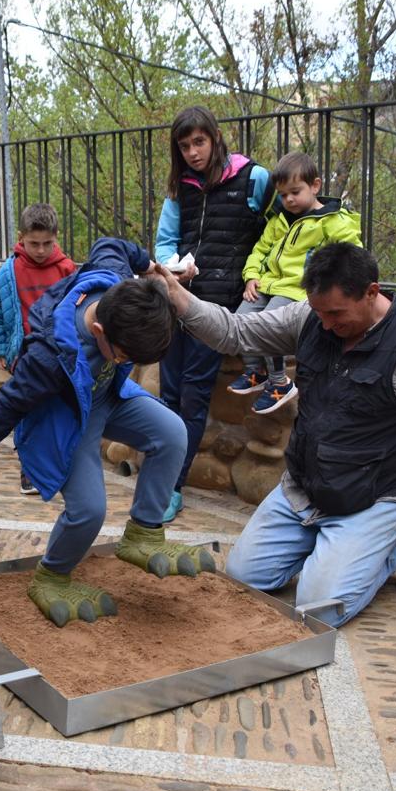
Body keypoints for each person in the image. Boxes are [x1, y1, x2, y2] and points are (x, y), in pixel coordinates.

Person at [149, 243, 396, 626]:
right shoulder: (310, 316)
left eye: (336, 314)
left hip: (374, 496)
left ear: (371, 292)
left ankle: (391, 543)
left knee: (316, 609)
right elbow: (235, 332)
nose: (325, 324)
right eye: (319, 312)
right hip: (305, 489)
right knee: (244, 578)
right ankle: (338, 548)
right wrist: (176, 294)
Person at [0, 238, 211, 628]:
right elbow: (11, 400)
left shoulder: (113, 279)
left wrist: (151, 270)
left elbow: (112, 243)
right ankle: (52, 576)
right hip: (68, 418)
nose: (128, 361)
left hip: (108, 396)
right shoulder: (49, 357)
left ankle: (144, 532)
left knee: (173, 432)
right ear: (98, 329)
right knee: (88, 511)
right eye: (125, 355)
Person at [154, 106, 274, 524]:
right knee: (168, 395)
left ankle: (171, 484)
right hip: (178, 299)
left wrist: (258, 277)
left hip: (219, 307)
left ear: (215, 138)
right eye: (184, 146)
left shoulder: (254, 179)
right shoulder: (179, 189)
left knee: (193, 395)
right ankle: (161, 478)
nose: (192, 152)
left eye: (198, 142)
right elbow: (164, 242)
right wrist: (173, 267)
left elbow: (277, 234)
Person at [229, 152, 361, 415]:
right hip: (267, 284)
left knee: (268, 324)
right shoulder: (279, 219)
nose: (288, 199)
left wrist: (327, 286)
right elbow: (259, 250)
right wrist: (252, 275)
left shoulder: (331, 221)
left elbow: (351, 252)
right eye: (282, 194)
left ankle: (280, 382)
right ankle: (256, 371)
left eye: (295, 192)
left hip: (297, 289)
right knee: (240, 319)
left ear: (315, 186)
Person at [0, 203, 77, 495]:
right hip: (25, 356)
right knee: (27, 411)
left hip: (58, 354)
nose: (40, 250)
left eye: (47, 244)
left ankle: (57, 465)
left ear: (56, 237)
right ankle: (29, 470)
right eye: (33, 243)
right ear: (22, 237)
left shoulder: (66, 268)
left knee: (58, 411)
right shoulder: (10, 271)